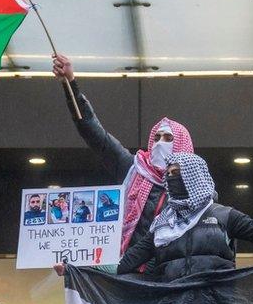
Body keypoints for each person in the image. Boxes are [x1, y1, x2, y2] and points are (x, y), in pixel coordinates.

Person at [74, 152, 253, 281]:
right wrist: (79, 269)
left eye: (177, 175)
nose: (171, 181)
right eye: (168, 176)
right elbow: (126, 265)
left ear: (194, 177)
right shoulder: (163, 225)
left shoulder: (224, 216)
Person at [53, 53, 194, 259]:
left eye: (167, 138)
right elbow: (92, 131)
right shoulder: (133, 168)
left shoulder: (195, 188)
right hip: (129, 271)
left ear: (182, 145)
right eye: (156, 137)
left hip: (170, 277)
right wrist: (70, 83)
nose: (159, 143)